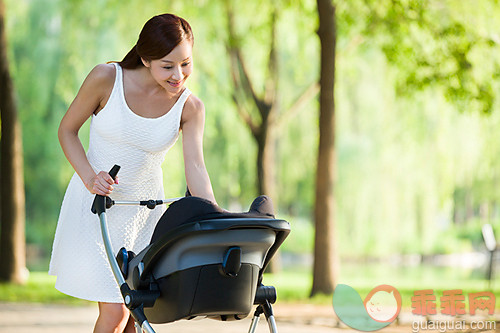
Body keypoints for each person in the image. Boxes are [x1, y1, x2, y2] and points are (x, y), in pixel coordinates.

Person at [48, 13, 216, 333]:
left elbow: (196, 167)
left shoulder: (190, 107)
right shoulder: (106, 78)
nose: (178, 75)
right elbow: (67, 130)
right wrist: (89, 177)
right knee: (115, 313)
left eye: (186, 63)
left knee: (138, 317)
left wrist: (213, 217)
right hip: (97, 208)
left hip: (145, 218)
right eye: (167, 66)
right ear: (145, 58)